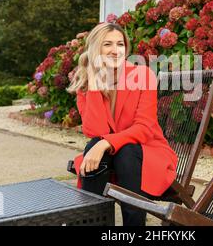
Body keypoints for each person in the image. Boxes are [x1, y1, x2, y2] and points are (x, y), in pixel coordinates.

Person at [67, 22, 178, 226]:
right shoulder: (85, 82)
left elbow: (144, 129)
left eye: (120, 44)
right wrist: (94, 84)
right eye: (107, 44)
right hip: (112, 156)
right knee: (96, 145)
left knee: (123, 150)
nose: (115, 50)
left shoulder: (143, 75)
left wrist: (104, 144)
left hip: (147, 150)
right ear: (95, 49)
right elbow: (95, 131)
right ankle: (92, 222)